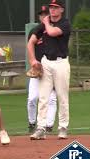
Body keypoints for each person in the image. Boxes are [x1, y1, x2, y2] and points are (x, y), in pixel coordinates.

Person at [27, 0, 71, 140]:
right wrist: (33, 60)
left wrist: (46, 23)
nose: (52, 10)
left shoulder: (65, 24)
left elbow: (52, 32)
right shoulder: (42, 26)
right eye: (51, 7)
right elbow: (31, 42)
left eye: (55, 7)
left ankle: (63, 127)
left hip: (61, 63)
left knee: (62, 97)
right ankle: (40, 128)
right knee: (43, 97)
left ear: (61, 10)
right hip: (46, 62)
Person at [27, 5, 57, 133]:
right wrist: (32, 62)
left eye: (46, 14)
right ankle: (32, 122)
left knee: (51, 99)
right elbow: (30, 48)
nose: (43, 16)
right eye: (41, 14)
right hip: (37, 69)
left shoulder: (55, 30)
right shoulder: (34, 31)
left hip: (51, 69)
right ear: (39, 17)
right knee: (32, 98)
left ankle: (49, 125)